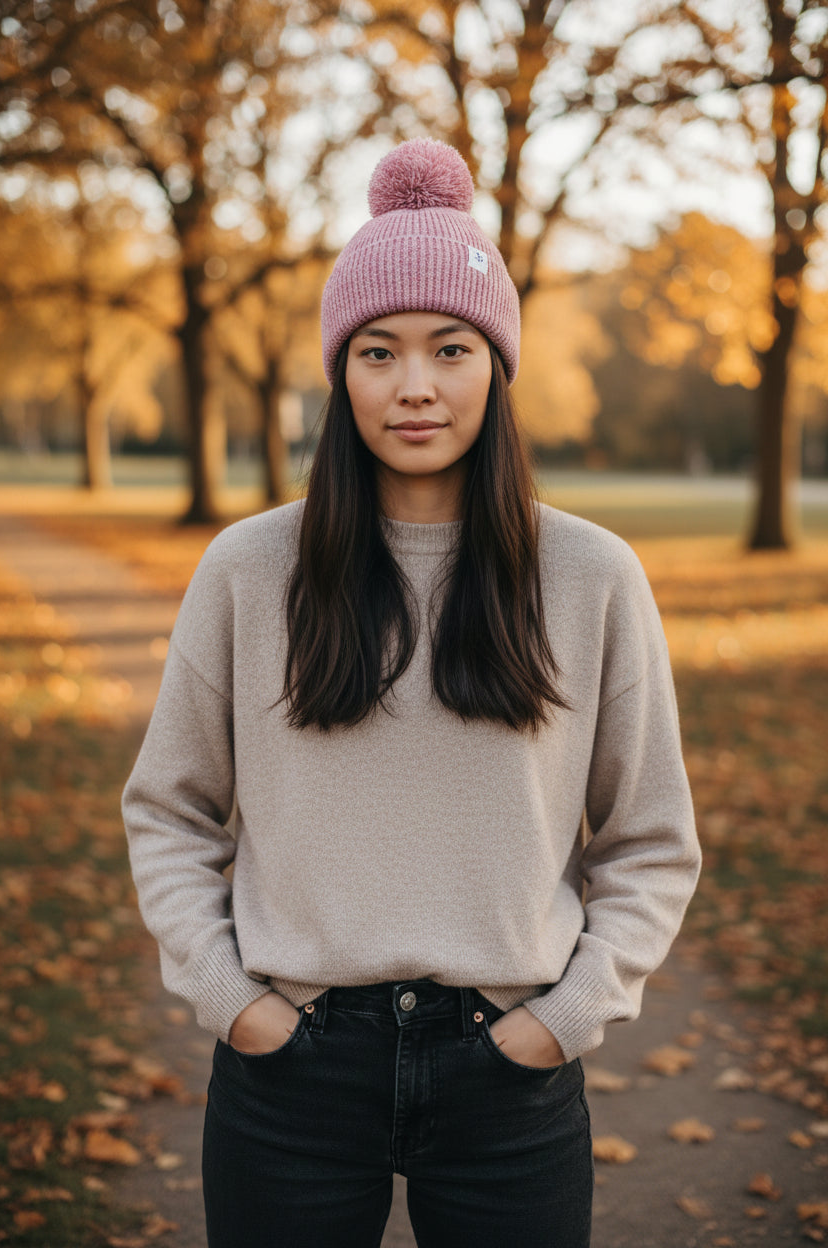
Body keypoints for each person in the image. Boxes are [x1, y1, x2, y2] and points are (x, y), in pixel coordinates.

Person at [122, 137, 701, 1248]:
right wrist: (236, 1006)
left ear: (497, 364)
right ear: (340, 371)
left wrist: (560, 1022)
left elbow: (650, 839)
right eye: (378, 352)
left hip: (510, 1076)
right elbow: (169, 810)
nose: (416, 386)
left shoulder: (589, 577)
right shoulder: (250, 571)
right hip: (289, 1072)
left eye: (451, 348)